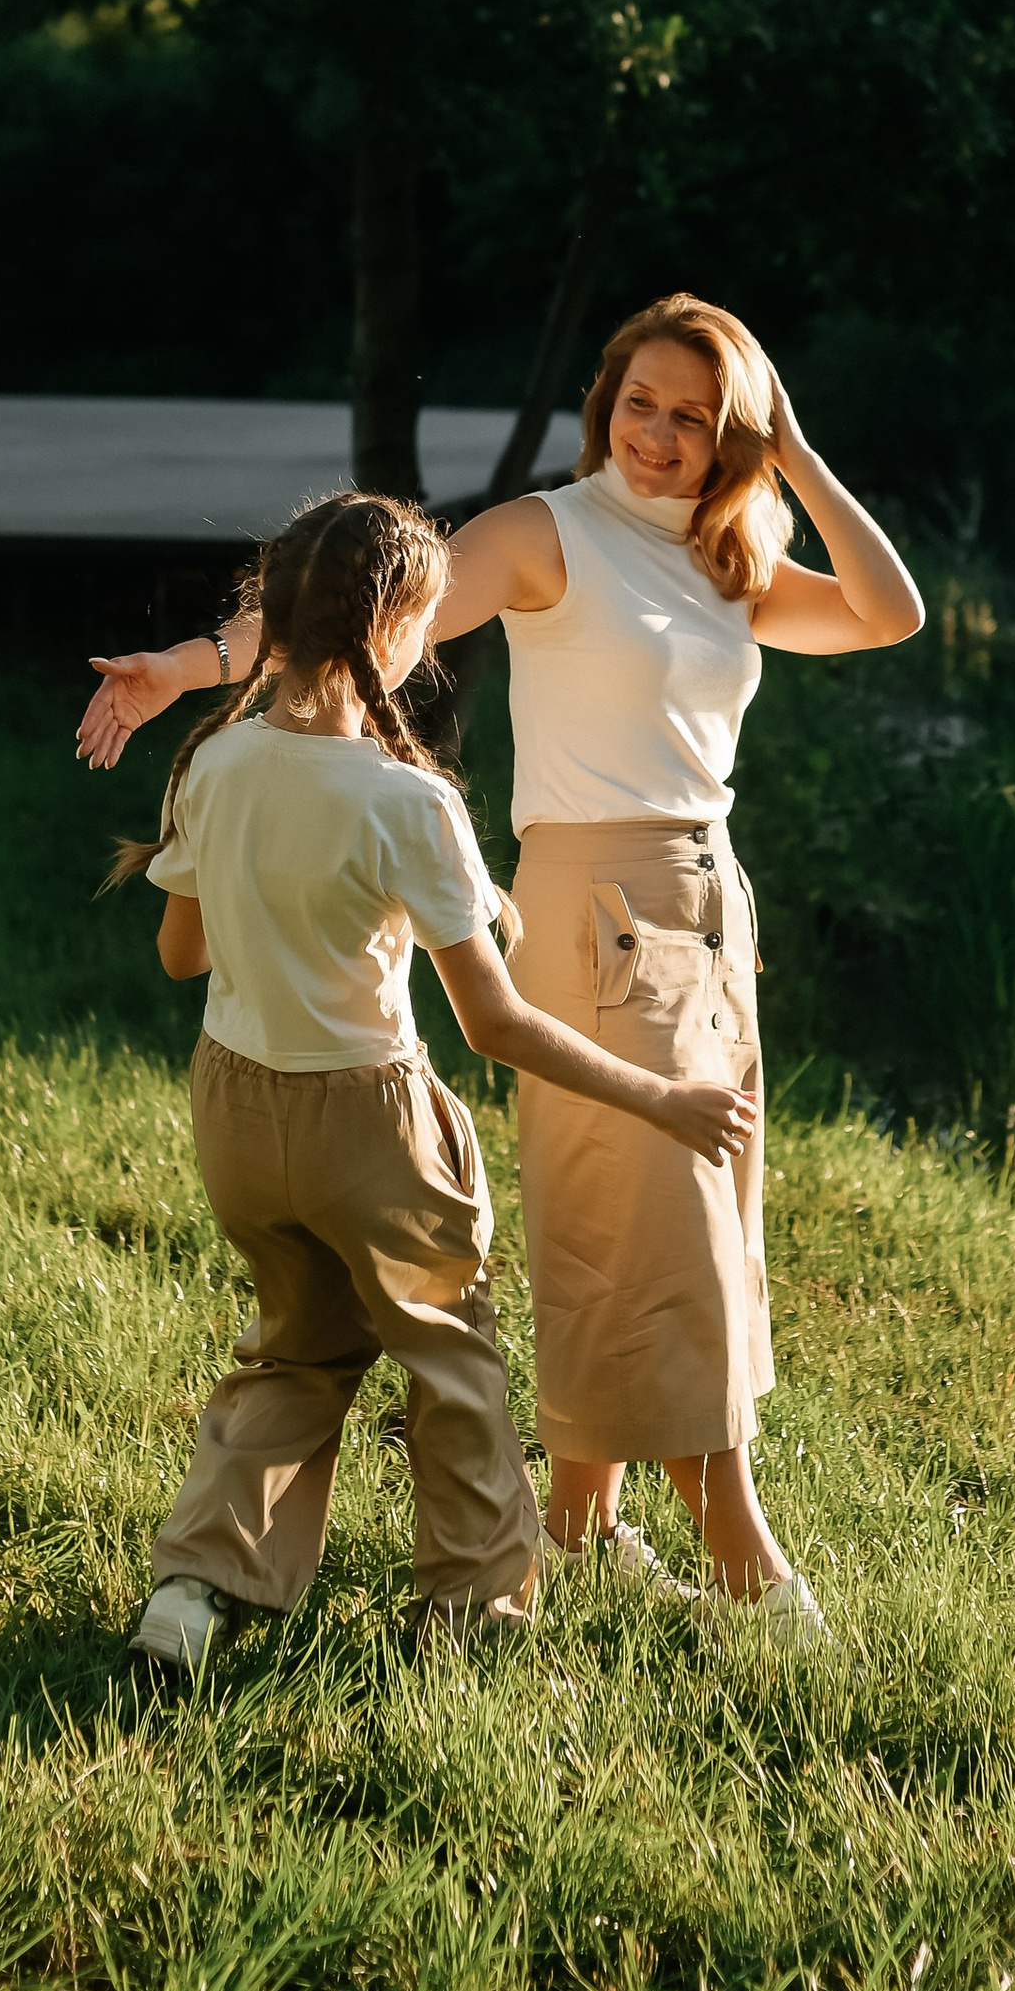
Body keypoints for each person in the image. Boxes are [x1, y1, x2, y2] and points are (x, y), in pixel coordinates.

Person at [82, 298, 923, 1649]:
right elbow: (345, 618)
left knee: (687, 1219)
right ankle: (741, 1551)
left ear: (736, 434)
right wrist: (185, 669)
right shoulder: (550, 533)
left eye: (697, 418)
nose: (659, 436)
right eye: (640, 403)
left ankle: (583, 1517)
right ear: (605, 405)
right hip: (601, 903)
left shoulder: (729, 557)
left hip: (711, 904)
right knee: (664, 1230)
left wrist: (795, 456)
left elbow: (890, 612)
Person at [114, 485, 756, 1673]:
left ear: (284, 616)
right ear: (396, 629)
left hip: (237, 1109)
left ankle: (197, 1587)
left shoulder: (213, 762)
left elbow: (180, 952)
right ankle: (470, 1610)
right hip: (370, 1120)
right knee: (452, 1364)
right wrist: (661, 1095)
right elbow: (494, 1023)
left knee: (296, 1353)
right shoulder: (411, 800)